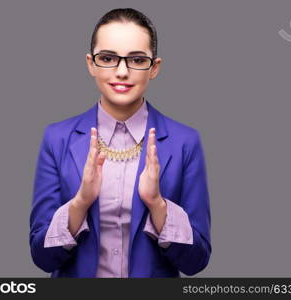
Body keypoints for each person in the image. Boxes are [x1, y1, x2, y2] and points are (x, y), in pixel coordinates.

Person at [29, 8, 211, 278]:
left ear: (155, 67)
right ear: (91, 63)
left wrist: (158, 205)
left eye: (137, 60)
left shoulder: (186, 142)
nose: (122, 71)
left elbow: (196, 262)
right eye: (108, 58)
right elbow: (42, 257)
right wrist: (80, 202)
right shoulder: (56, 139)